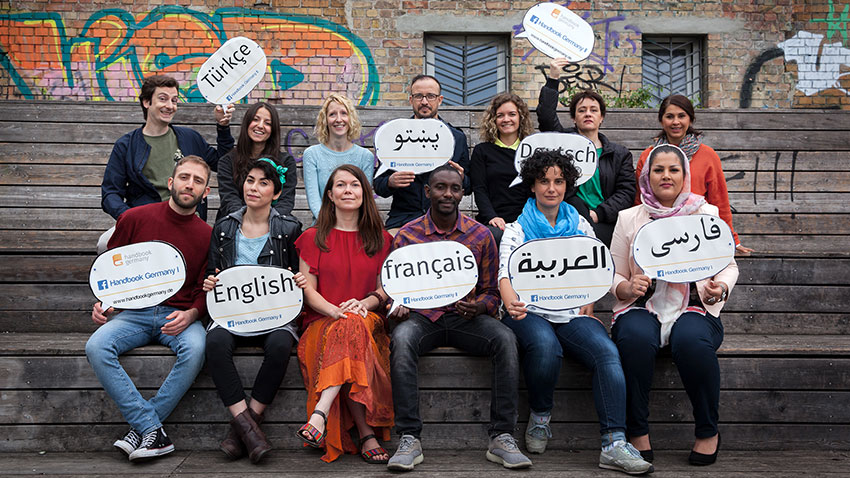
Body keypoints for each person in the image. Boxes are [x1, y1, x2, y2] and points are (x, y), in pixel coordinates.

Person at [498, 149, 653, 475]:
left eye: (558, 181)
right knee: (545, 348)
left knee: (606, 352)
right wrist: (511, 302)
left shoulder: (580, 223)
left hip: (571, 313)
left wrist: (590, 301)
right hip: (530, 312)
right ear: (532, 185)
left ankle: (613, 443)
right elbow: (504, 274)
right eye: (544, 181)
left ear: (568, 185)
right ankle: (540, 415)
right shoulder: (516, 229)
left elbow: (593, 270)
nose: (551, 188)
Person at [387, 164, 531, 471]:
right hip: (423, 319)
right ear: (427, 192)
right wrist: (398, 305)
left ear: (463, 194)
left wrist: (479, 306)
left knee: (506, 338)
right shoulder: (407, 236)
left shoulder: (481, 235)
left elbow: (492, 292)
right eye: (440, 187)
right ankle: (409, 437)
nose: (447, 194)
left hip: (468, 319)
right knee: (400, 339)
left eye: (454, 188)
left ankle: (502, 436)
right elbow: (395, 290)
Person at [610, 144, 739, 467]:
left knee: (691, 341)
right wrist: (625, 287)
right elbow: (613, 272)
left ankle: (708, 431)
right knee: (635, 338)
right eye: (658, 170)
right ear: (646, 175)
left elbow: (728, 265)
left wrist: (720, 286)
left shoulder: (706, 214)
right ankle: (637, 431)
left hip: (694, 307)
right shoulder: (629, 218)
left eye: (673, 170)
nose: (666, 176)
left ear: (685, 175)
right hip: (642, 307)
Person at [86, 156, 212, 461]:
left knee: (197, 349)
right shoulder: (134, 219)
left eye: (197, 180)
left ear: (205, 192)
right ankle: (151, 427)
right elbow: (112, 272)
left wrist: (192, 314)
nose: (189, 184)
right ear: (171, 183)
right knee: (96, 346)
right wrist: (106, 303)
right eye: (184, 177)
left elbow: (202, 290)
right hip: (136, 314)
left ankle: (142, 429)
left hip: (178, 315)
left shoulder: (208, 236)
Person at [203, 158, 303, 463]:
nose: (254, 188)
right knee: (215, 343)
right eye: (250, 180)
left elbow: (298, 274)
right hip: (231, 313)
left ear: (275, 192)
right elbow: (212, 270)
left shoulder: (289, 228)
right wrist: (210, 281)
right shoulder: (224, 226)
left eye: (263, 182)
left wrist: (300, 279)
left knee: (281, 345)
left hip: (274, 315)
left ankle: (244, 428)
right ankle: (247, 427)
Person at [294, 164, 394, 464]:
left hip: (368, 319)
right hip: (322, 321)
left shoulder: (381, 238)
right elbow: (307, 290)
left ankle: (319, 415)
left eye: (354, 185)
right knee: (347, 328)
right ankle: (366, 435)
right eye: (340, 185)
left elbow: (385, 289)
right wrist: (335, 310)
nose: (347, 190)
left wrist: (365, 304)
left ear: (364, 194)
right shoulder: (312, 237)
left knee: (352, 326)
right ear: (330, 194)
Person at [101, 74, 233, 226]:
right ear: (146, 102)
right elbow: (110, 193)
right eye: (163, 99)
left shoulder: (190, 138)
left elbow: (223, 163)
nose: (170, 106)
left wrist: (223, 128)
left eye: (174, 100)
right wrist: (130, 218)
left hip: (189, 222)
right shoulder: (127, 145)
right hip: (147, 224)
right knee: (104, 244)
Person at [634, 94, 753, 254]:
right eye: (669, 116)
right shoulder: (648, 157)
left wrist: (731, 239)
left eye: (681, 116)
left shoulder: (708, 156)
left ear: (690, 119)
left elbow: (719, 201)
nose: (676, 122)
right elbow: (640, 200)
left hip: (698, 237)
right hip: (658, 237)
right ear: (661, 120)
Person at [537, 58, 636, 246]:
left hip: (606, 220)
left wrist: (598, 214)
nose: (588, 114)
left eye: (593, 110)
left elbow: (626, 192)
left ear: (601, 117)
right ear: (574, 118)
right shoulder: (564, 143)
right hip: (568, 218)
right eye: (582, 110)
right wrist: (553, 79)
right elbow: (546, 118)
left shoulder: (619, 154)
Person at [374, 74, 471, 234]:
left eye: (430, 96)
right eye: (419, 96)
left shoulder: (456, 137)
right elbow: (379, 185)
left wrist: (462, 178)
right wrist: (390, 182)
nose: (424, 101)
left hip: (445, 221)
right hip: (403, 219)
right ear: (411, 100)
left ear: (439, 100)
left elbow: (469, 185)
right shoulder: (394, 136)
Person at [469, 92, 534, 245]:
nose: (506, 120)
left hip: (527, 219)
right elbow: (480, 189)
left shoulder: (532, 151)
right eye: (500, 115)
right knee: (495, 237)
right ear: (493, 120)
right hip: (495, 221)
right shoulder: (482, 151)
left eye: (512, 114)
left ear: (521, 118)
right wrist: (492, 217)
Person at [215, 102, 297, 222]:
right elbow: (229, 199)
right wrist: (248, 222)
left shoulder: (285, 162)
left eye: (267, 123)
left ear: (273, 129)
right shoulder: (227, 161)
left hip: (272, 225)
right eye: (255, 120)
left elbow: (286, 202)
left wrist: (264, 224)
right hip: (235, 223)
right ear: (247, 123)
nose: (260, 126)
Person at [303, 93, 375, 222]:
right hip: (322, 226)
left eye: (343, 113)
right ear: (325, 120)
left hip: (355, 226)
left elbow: (363, 199)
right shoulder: (312, 154)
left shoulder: (365, 157)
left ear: (351, 118)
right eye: (332, 114)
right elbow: (314, 201)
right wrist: (332, 227)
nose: (338, 119)